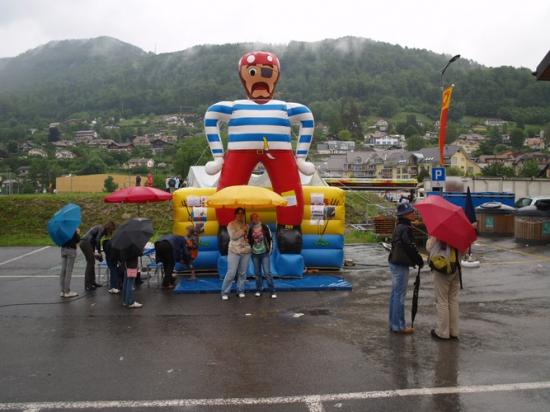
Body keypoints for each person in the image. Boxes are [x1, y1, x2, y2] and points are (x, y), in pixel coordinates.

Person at [387, 203, 424, 334]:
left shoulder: (399, 226)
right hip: (401, 264)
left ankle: (393, 324)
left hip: (394, 262)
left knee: (395, 295)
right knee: (399, 296)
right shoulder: (406, 228)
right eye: (412, 212)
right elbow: (409, 246)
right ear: (406, 215)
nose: (414, 213)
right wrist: (418, 260)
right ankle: (399, 326)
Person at [426, 236, 461, 340]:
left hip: (443, 268)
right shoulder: (459, 231)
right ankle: (454, 331)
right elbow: (464, 250)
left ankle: (443, 332)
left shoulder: (439, 232)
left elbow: (429, 247)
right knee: (453, 299)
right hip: (456, 268)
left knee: (442, 300)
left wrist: (430, 238)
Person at [220, 208, 251, 300]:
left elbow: (247, 237)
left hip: (245, 251)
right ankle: (225, 292)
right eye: (239, 213)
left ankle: (240, 290)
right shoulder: (231, 224)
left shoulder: (247, 225)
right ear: (235, 214)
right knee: (231, 273)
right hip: (234, 251)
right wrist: (243, 230)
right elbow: (233, 236)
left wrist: (248, 238)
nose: (240, 215)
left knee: (242, 273)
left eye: (242, 213)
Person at [79, 221, 116, 291]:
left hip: (87, 243)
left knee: (92, 263)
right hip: (85, 242)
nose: (110, 232)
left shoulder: (100, 228)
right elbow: (97, 240)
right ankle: (87, 285)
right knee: (90, 263)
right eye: (111, 230)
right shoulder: (101, 228)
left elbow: (93, 241)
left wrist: (94, 252)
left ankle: (92, 282)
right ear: (109, 228)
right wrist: (98, 252)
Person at [247, 213, 276, 298]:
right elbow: (249, 240)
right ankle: (259, 289)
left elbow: (270, 238)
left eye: (256, 217)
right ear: (251, 220)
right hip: (255, 254)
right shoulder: (250, 229)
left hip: (264, 253)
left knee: (267, 272)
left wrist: (270, 250)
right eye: (253, 218)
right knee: (257, 273)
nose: (255, 219)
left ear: (259, 217)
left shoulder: (265, 227)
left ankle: (272, 291)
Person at [59, 228, 80, 298]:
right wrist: (77, 233)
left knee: (63, 271)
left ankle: (62, 291)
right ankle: (67, 291)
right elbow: (77, 240)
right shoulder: (71, 228)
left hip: (63, 249)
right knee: (68, 271)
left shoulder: (61, 229)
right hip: (71, 250)